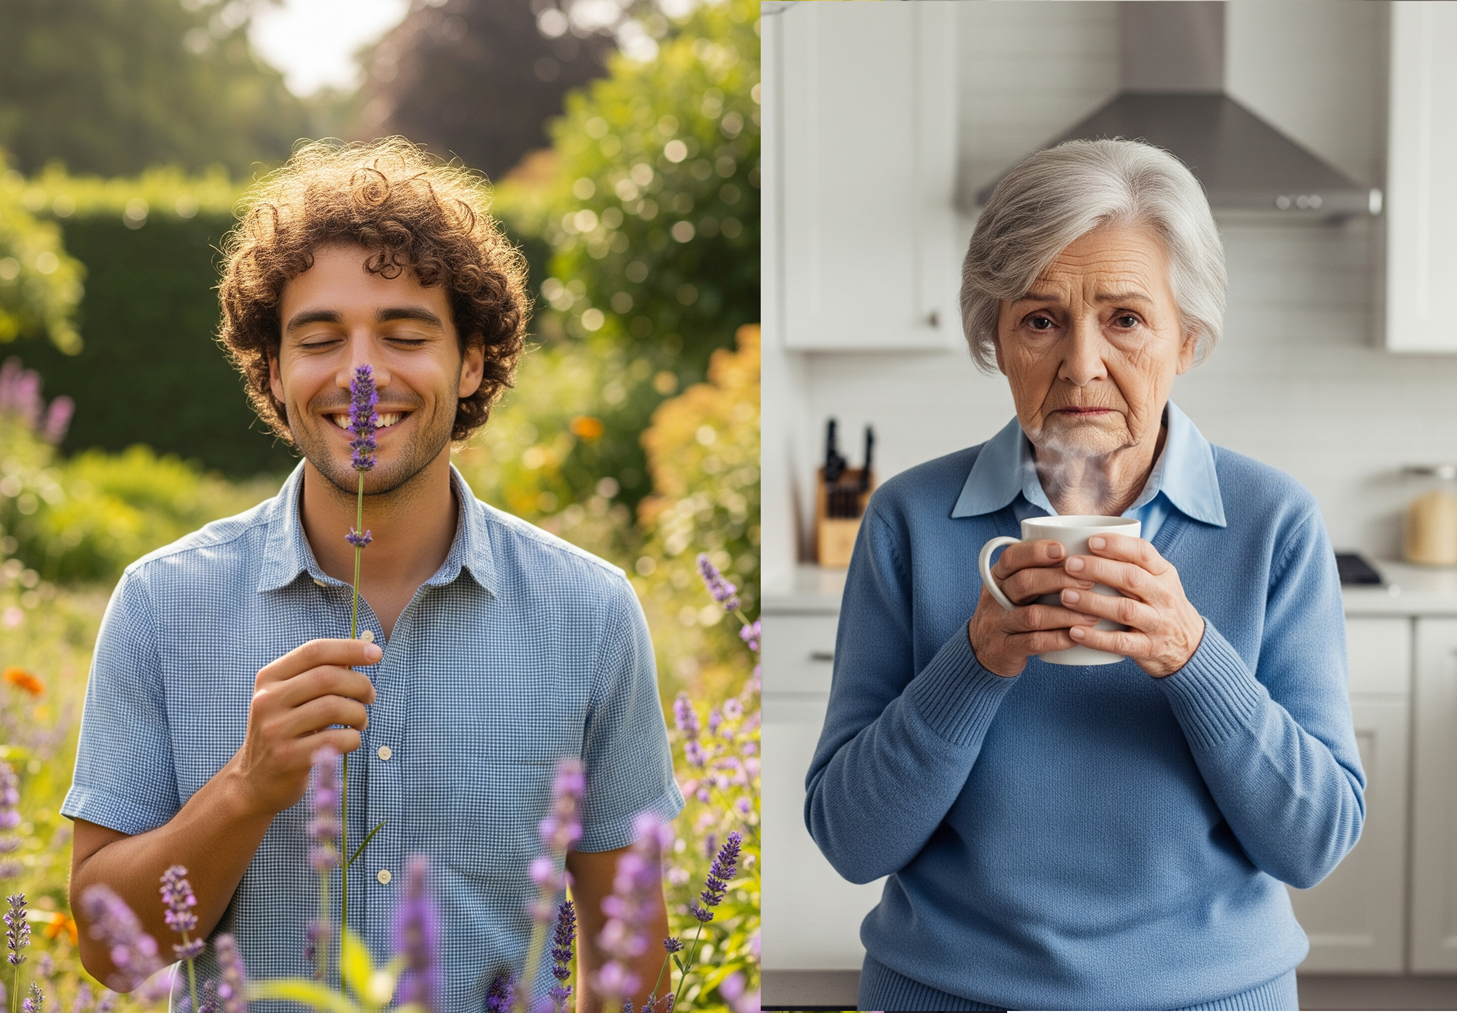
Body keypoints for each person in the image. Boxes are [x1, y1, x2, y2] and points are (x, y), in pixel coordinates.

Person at [62, 139, 682, 1012]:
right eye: (319, 338)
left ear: (470, 361)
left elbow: (633, 955)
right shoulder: (163, 603)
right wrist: (248, 786)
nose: (361, 371)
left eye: (404, 333)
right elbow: (106, 951)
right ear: (273, 372)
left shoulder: (588, 611)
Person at [804, 138, 1363, 1012]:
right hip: (946, 995)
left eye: (1125, 318)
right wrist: (976, 659)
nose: (1081, 365)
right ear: (994, 336)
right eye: (1039, 319)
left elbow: (1314, 840)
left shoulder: (1273, 523)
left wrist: (1191, 654)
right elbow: (849, 838)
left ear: (1188, 337)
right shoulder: (907, 518)